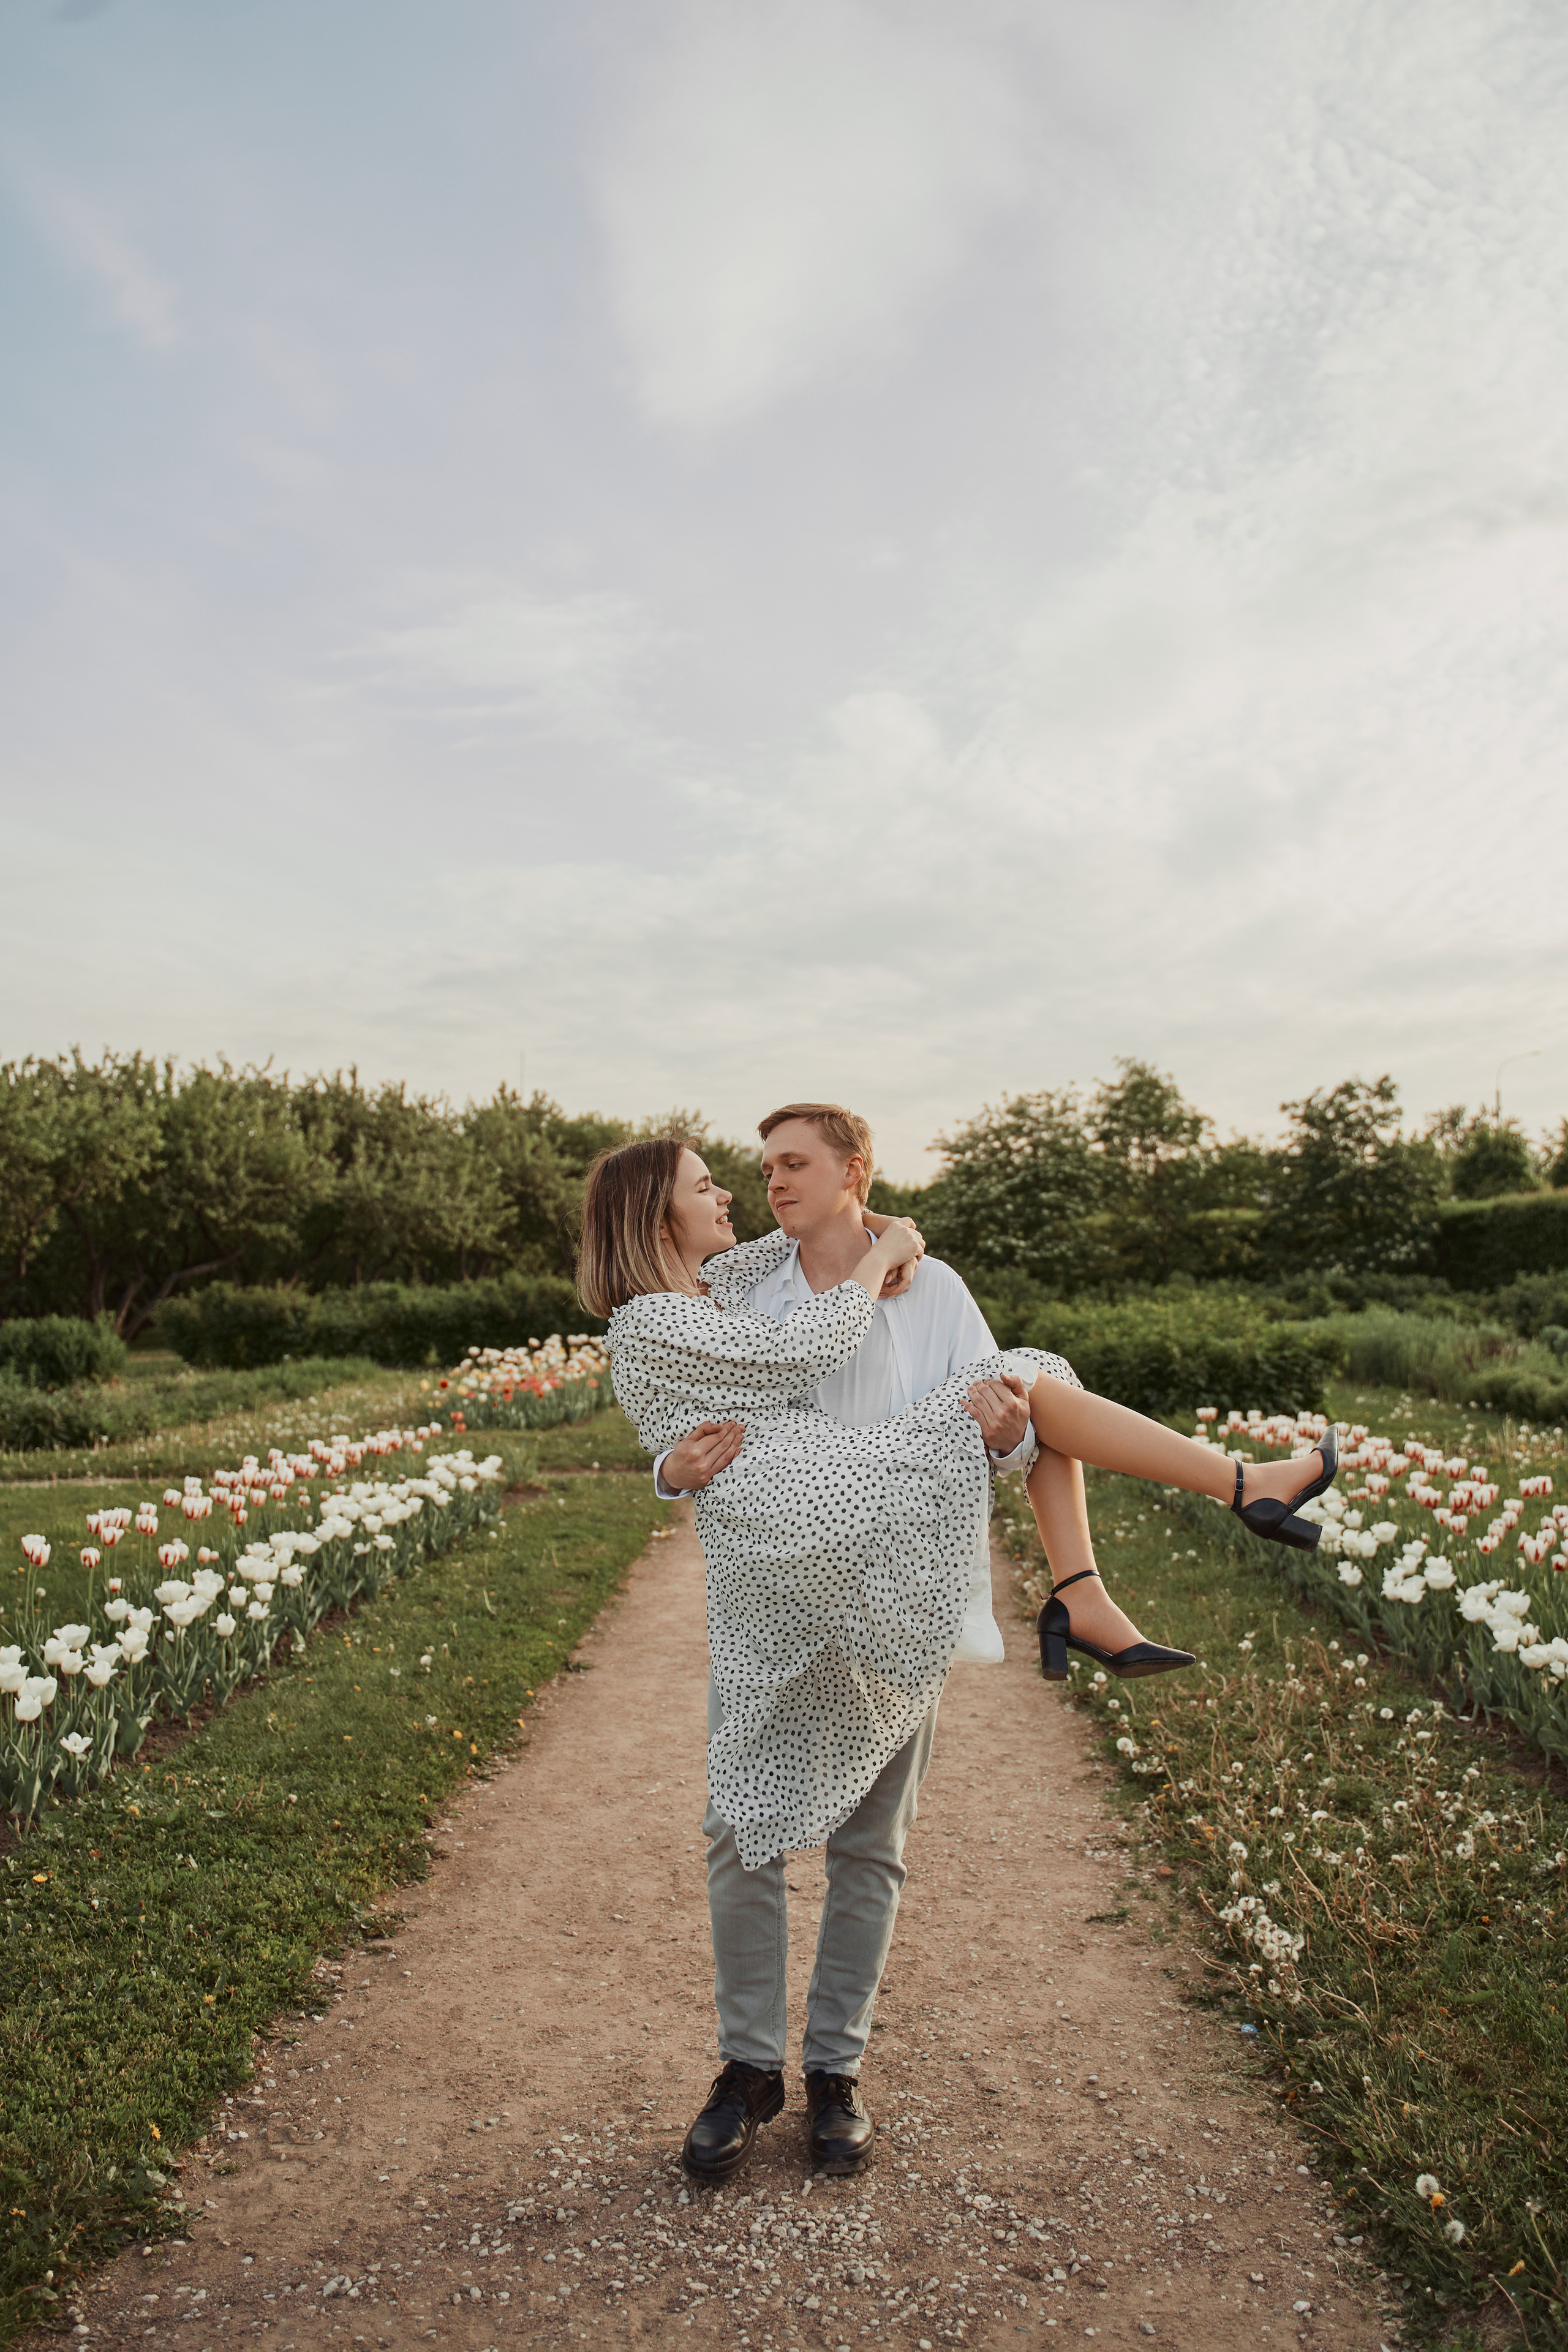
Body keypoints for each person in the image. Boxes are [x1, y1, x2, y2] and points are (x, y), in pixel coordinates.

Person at [576, 1128, 1336, 2184]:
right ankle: (749, 2071)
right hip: (790, 1562)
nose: (755, 1191)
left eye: (786, 1166)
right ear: (661, 1221)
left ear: (852, 1173)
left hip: (889, 1565)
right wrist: (669, 1465)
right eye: (726, 1184)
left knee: (873, 1842)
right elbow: (717, 1400)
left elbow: (1020, 1434)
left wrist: (906, 1266)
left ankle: (834, 2072)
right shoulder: (714, 1300)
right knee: (739, 1832)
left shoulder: (909, 1288)